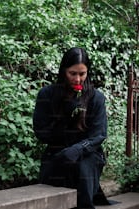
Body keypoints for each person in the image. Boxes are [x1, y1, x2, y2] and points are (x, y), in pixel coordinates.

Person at [33, 47, 109, 209]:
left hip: (88, 154)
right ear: (63, 71)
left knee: (81, 171)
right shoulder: (47, 95)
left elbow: (99, 134)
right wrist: (61, 120)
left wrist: (78, 149)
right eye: (72, 73)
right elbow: (40, 131)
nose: (77, 79)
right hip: (57, 151)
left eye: (82, 74)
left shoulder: (96, 98)